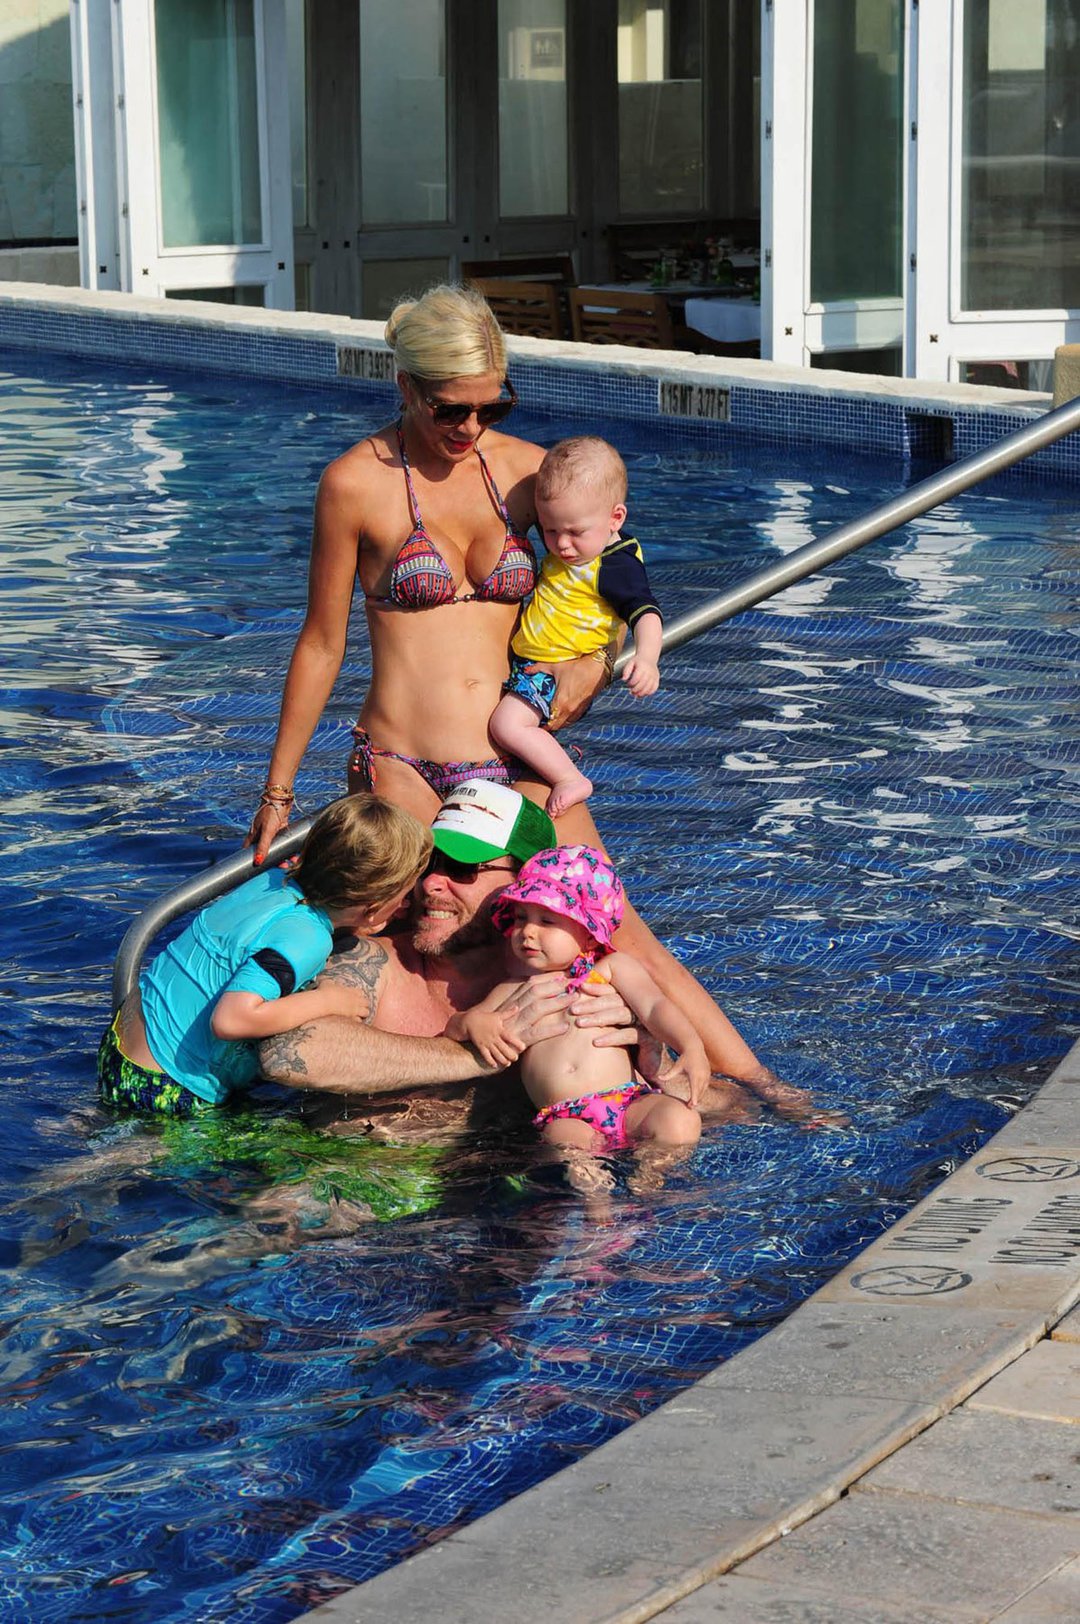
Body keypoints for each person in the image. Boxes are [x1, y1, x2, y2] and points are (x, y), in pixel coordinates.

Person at [242, 283, 824, 1112]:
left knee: (616, 929)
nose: (468, 427)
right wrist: (277, 792)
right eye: (449, 408)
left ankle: (764, 1087)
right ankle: (471, 1121)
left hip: (515, 757)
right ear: (404, 386)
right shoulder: (354, 484)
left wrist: (589, 672)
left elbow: (602, 598)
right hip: (405, 763)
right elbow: (321, 643)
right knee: (430, 954)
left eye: (489, 405)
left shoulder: (528, 478)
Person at [256, 781, 812, 1135]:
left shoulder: (577, 987)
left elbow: (723, 1106)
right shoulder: (374, 955)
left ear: (529, 886)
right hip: (350, 1178)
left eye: (466, 870)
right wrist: (470, 1056)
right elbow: (288, 1055)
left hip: (505, 1184)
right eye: (431, 864)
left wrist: (649, 1062)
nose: (433, 886)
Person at [98, 794, 432, 1116]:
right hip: (165, 1088)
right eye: (404, 894)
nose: (406, 904)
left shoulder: (272, 881)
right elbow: (232, 1019)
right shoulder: (308, 939)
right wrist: (331, 1002)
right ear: (373, 906)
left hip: (122, 1044)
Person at [447, 846, 707, 1170]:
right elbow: (456, 1028)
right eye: (521, 918)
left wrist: (691, 1046)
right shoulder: (513, 989)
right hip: (565, 1116)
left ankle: (650, 1173)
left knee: (681, 1120)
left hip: (628, 1101)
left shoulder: (610, 971)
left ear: (588, 936)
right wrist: (473, 1024)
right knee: (567, 1145)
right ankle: (598, 1208)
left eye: (546, 920)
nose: (528, 931)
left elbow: (655, 1007)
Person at [488, 436, 663, 817]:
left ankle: (570, 778)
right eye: (550, 531)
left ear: (615, 518)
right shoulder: (578, 540)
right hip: (534, 664)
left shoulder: (614, 566)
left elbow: (645, 613)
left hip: (557, 670)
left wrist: (647, 659)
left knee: (507, 726)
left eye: (575, 532)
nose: (562, 545)